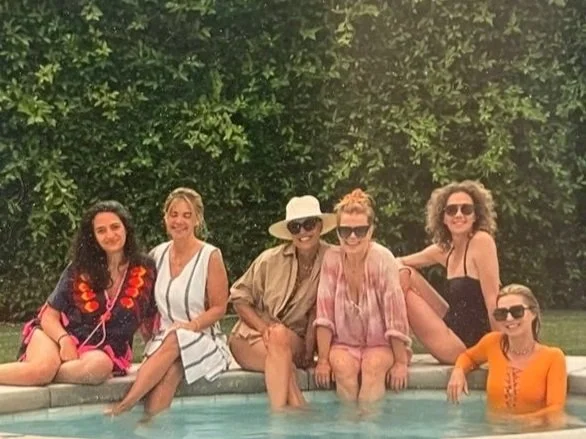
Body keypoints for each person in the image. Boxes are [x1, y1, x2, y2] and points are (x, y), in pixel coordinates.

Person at [0, 200, 156, 386]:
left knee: (99, 367)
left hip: (98, 354)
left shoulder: (146, 269)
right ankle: (46, 371)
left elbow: (150, 320)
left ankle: (50, 371)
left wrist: (154, 355)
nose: (110, 235)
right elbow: (49, 316)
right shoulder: (80, 268)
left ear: (126, 229)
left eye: (115, 227)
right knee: (42, 370)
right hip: (55, 336)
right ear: (93, 237)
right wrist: (64, 340)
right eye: (101, 230)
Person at [107, 188, 231, 419]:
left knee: (177, 338)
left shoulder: (210, 256)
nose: (179, 221)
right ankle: (148, 427)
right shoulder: (157, 255)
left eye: (186, 215)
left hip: (204, 339)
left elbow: (219, 308)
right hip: (164, 342)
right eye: (173, 214)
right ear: (165, 218)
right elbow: (145, 304)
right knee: (171, 371)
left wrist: (189, 327)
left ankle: (125, 406)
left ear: (197, 219)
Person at [229, 195, 336, 410]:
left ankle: (280, 418)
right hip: (248, 338)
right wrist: (264, 328)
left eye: (308, 224)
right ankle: (295, 409)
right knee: (280, 351)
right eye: (295, 227)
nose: (303, 232)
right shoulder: (269, 259)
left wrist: (311, 354)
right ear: (289, 232)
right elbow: (239, 297)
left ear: (320, 226)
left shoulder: (333, 258)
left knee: (279, 339)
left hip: (295, 341)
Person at [314, 189, 411, 403]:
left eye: (360, 230)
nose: (352, 237)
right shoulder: (331, 259)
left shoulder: (383, 259)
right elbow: (324, 316)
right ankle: (349, 423)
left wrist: (401, 362)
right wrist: (323, 360)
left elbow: (395, 317)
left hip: (380, 343)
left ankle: (369, 422)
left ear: (371, 230)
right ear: (337, 232)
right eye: (345, 231)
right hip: (343, 343)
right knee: (342, 368)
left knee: (373, 368)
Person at [399, 180, 500, 362]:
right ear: (443, 218)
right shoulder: (445, 250)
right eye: (452, 210)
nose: (459, 215)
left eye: (466, 209)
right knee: (405, 272)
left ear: (475, 216)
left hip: (468, 346)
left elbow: (493, 299)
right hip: (452, 326)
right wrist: (404, 272)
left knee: (406, 297)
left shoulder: (481, 242)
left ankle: (395, 347)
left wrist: (501, 352)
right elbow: (396, 262)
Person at [447, 284, 567, 424]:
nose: (509, 318)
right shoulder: (492, 343)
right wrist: (459, 370)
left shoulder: (553, 358)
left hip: (532, 431)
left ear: (533, 313)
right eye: (502, 313)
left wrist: (518, 421)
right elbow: (468, 356)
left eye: (517, 311)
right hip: (494, 430)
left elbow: (555, 409)